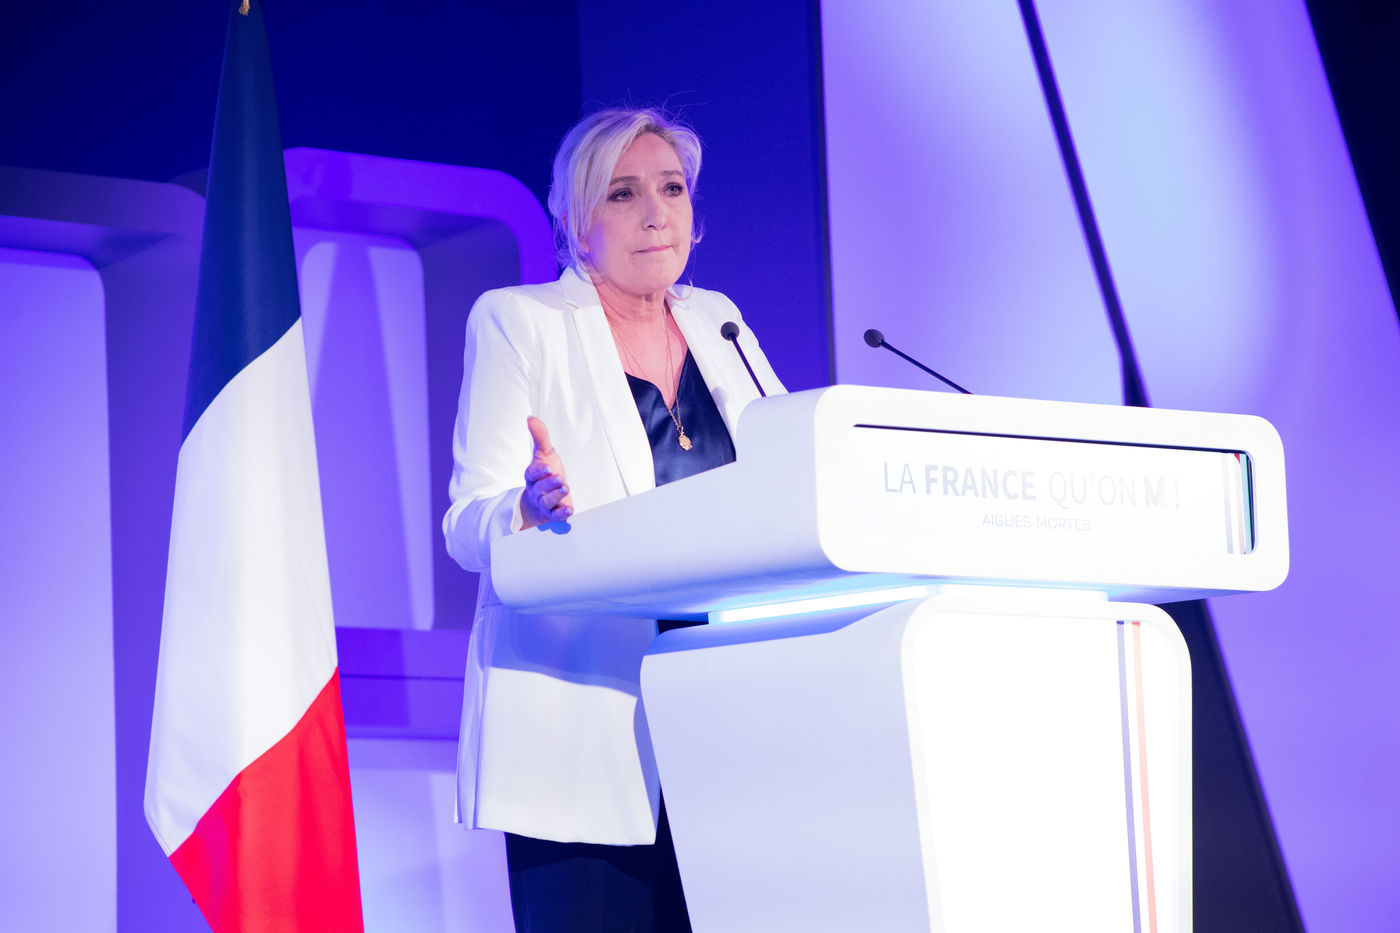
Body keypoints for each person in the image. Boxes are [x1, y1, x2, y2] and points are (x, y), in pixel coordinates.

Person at [442, 107, 784, 932]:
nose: (656, 214)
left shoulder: (720, 323)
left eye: (672, 189)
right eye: (623, 194)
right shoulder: (519, 322)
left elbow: (787, 475)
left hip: (722, 725)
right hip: (580, 729)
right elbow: (465, 522)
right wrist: (527, 508)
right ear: (572, 220)